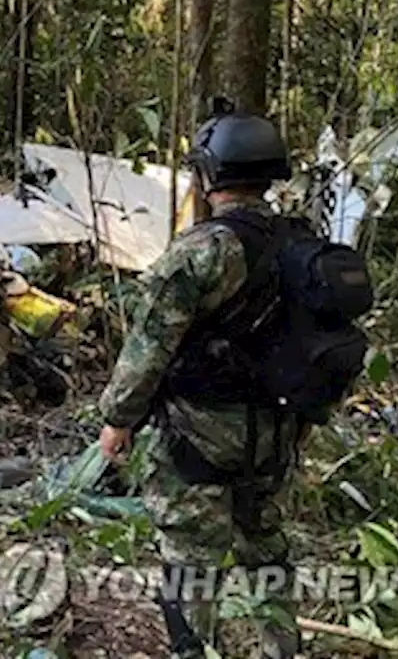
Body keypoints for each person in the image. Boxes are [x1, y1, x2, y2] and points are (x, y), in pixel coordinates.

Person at [96, 108, 303, 659]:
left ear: (210, 175)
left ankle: (194, 652)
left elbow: (148, 348)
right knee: (263, 544)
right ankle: (281, 646)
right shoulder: (299, 242)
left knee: (190, 558)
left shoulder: (202, 251)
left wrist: (118, 420)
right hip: (276, 432)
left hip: (200, 433)